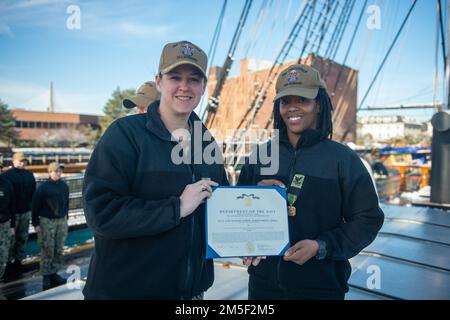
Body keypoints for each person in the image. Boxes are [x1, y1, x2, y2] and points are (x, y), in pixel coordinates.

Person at [82, 40, 229, 299]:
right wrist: (177, 208)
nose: (184, 86)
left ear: (204, 86)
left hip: (190, 293)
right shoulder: (124, 135)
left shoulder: (206, 143)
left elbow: (221, 207)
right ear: (159, 81)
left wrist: (250, 233)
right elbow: (101, 213)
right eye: (175, 76)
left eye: (194, 79)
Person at [238, 64, 384, 300]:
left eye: (302, 100)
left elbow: (368, 220)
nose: (292, 108)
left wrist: (321, 246)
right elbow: (237, 210)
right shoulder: (260, 156)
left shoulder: (343, 160)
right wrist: (253, 195)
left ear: (318, 104)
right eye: (286, 101)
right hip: (263, 287)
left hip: (321, 289)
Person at [31, 162, 69, 290]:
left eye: (60, 171)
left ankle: (54, 273)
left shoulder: (64, 186)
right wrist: (35, 223)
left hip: (61, 221)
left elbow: (66, 202)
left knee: (58, 248)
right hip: (47, 221)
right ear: (50, 172)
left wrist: (66, 217)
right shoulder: (43, 187)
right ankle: (46, 275)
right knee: (48, 249)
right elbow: (35, 207)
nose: (59, 173)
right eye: (56, 171)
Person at [2, 152, 36, 274]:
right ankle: (7, 263)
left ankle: (18, 261)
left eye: (24, 161)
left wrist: (31, 207)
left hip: (25, 211)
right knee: (10, 239)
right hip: (12, 213)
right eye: (20, 160)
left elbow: (33, 192)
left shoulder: (29, 175)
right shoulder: (7, 176)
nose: (22, 163)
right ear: (13, 161)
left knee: (22, 237)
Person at [0, 162, 15, 282]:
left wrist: (12, 225)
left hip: (4, 223)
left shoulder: (6, 184)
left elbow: (11, 205)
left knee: (3, 254)